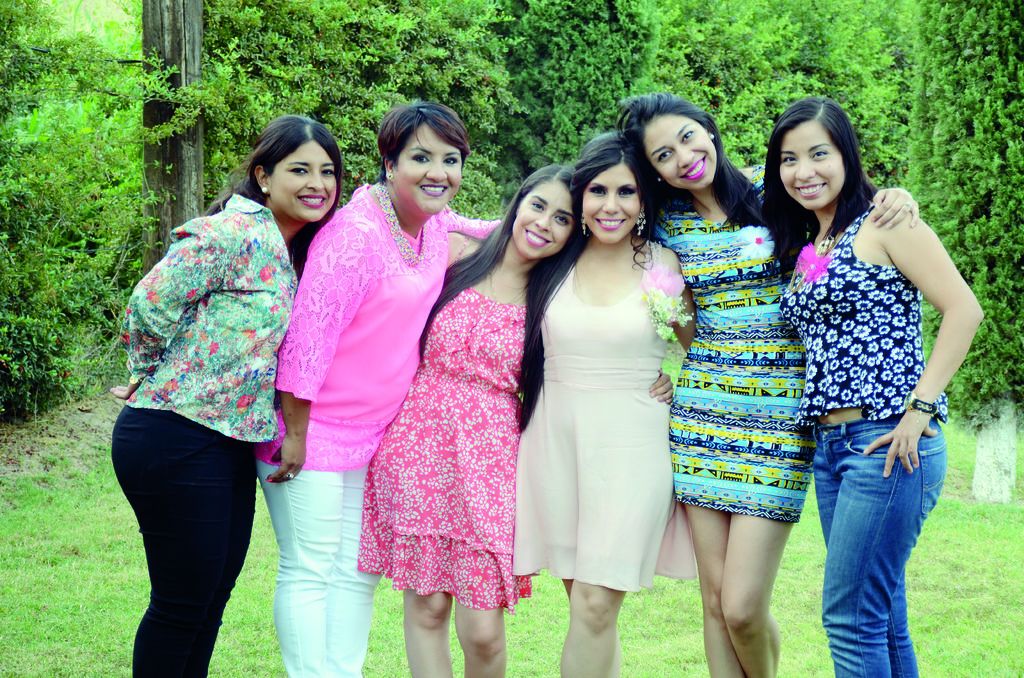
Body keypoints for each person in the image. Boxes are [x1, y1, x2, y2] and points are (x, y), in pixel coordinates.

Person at [616, 92, 919, 678]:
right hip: (701, 418)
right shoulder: (664, 224)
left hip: (780, 421)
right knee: (713, 604)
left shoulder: (774, 190)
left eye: (686, 137)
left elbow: (843, 223)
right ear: (654, 170)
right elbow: (671, 308)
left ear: (708, 129)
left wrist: (895, 196)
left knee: (742, 606)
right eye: (663, 155)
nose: (683, 157)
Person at [254, 101, 497, 678]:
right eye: (421, 158)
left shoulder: (433, 224)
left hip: (375, 434)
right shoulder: (355, 235)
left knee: (357, 572)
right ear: (390, 164)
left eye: (451, 160)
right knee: (310, 568)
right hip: (311, 431)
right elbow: (307, 341)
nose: (438, 172)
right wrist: (295, 433)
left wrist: (573, 218)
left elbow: (498, 232)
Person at [110, 115, 341, 677]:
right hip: (175, 431)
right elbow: (149, 302)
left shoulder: (294, 248)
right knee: (181, 604)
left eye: (328, 172)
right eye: (300, 170)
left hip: (228, 440)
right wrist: (150, 373)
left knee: (211, 598)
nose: (317, 184)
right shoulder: (234, 233)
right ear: (263, 176)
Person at [763, 96, 982, 677]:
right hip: (831, 449)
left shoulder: (887, 223)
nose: (804, 171)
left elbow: (964, 310)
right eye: (788, 159)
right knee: (881, 618)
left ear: (846, 155)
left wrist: (920, 408)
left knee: (850, 619)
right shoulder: (813, 247)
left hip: (888, 441)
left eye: (818, 154)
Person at [358, 164, 586, 677]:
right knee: (427, 607)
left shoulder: (555, 296)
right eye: (538, 206)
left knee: (483, 632)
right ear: (518, 203)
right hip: (418, 445)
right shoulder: (456, 254)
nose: (544, 223)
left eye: (563, 219)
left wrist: (651, 379)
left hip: (492, 462)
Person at [514, 132, 697, 678]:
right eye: (597, 191)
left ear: (644, 199)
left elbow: (703, 347)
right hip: (554, 443)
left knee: (595, 605)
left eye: (626, 192)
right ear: (580, 194)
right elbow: (487, 236)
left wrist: (677, 383)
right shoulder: (554, 257)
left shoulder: (663, 263)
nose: (610, 206)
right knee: (586, 608)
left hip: (631, 448)